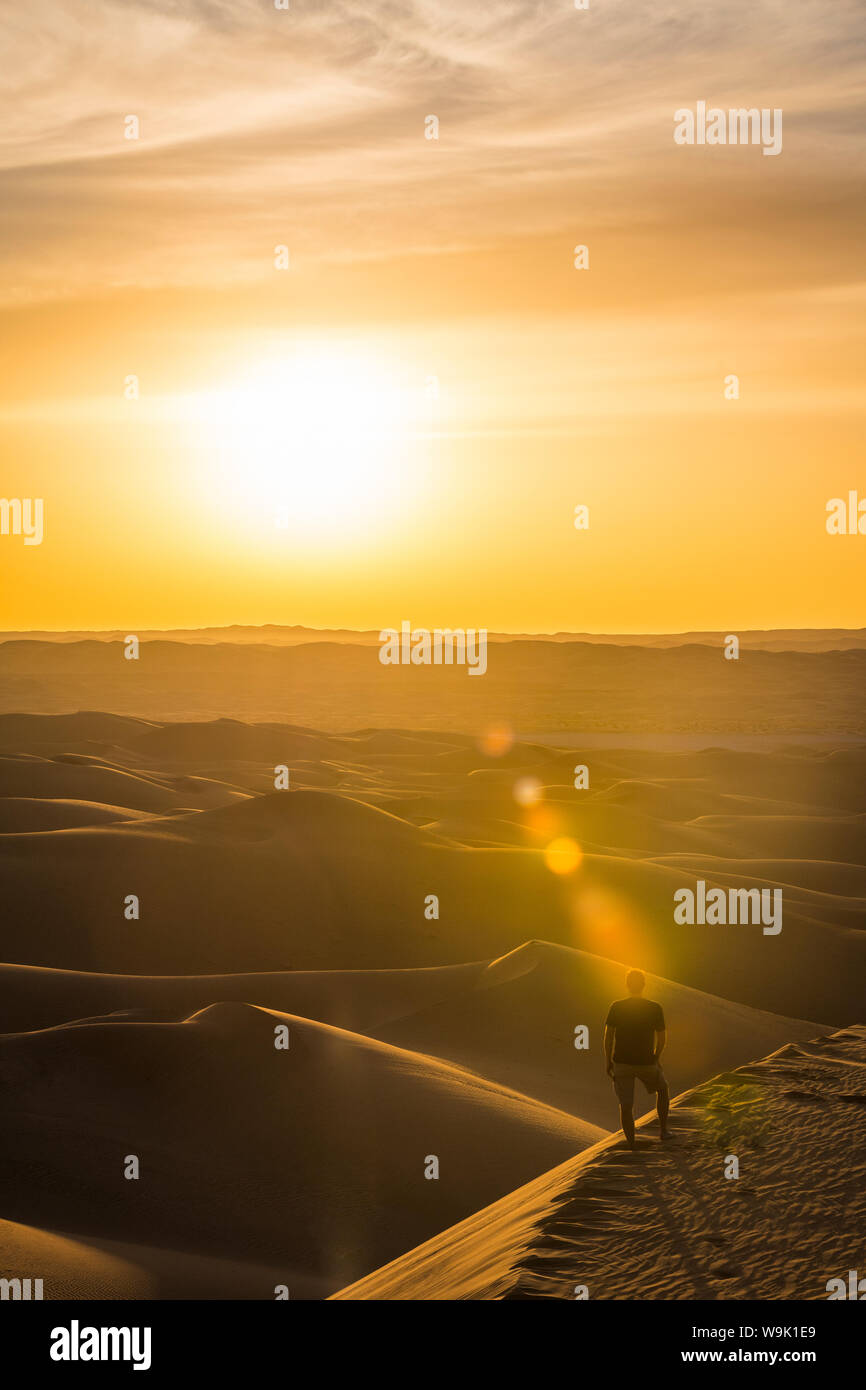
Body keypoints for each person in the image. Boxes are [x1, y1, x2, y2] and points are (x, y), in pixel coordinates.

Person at [603, 969, 670, 1148]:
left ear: (627, 985)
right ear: (643, 985)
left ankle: (631, 1143)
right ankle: (664, 1131)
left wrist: (608, 1061)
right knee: (662, 1090)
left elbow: (608, 1037)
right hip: (646, 1062)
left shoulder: (616, 1007)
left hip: (621, 1062)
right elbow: (662, 1038)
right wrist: (656, 1057)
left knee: (626, 1105)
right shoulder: (655, 1008)